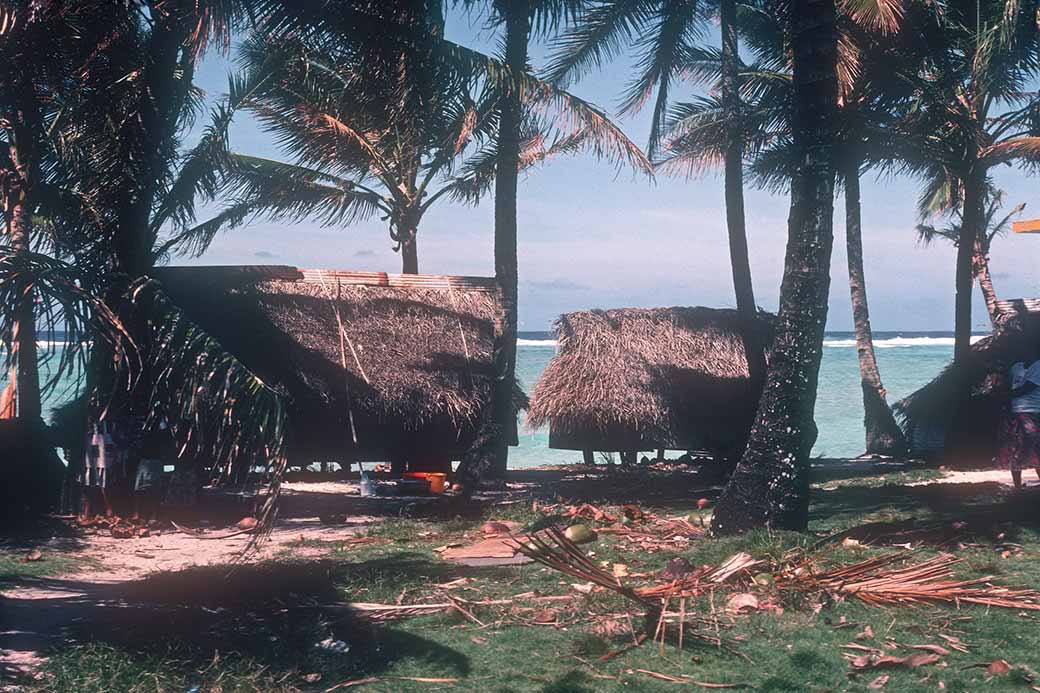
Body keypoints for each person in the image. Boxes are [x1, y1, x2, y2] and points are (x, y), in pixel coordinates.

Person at [996, 356, 1040, 488]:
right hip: (1016, 412)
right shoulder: (1016, 367)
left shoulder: (1038, 366)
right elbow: (1009, 384)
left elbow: (1026, 389)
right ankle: (1017, 485)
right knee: (1016, 446)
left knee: (1032, 443)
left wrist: (1002, 394)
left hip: (1034, 410)